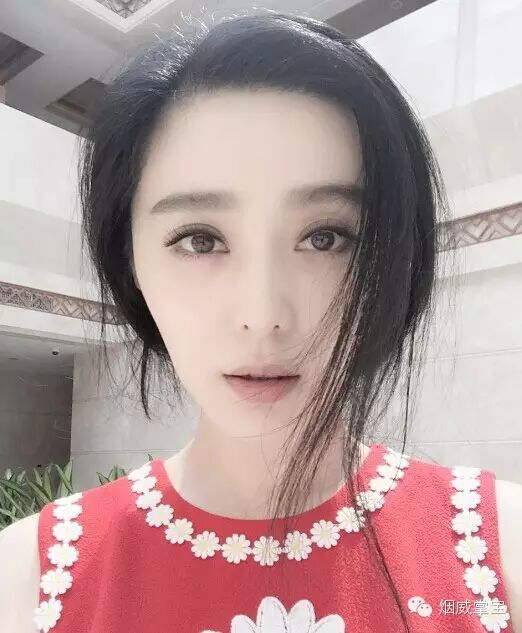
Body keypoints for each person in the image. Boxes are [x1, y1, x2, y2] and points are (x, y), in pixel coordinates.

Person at [1, 10, 521, 633]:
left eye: (326, 237)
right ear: (129, 259)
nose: (263, 316)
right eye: (199, 239)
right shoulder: (28, 580)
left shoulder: (499, 554)